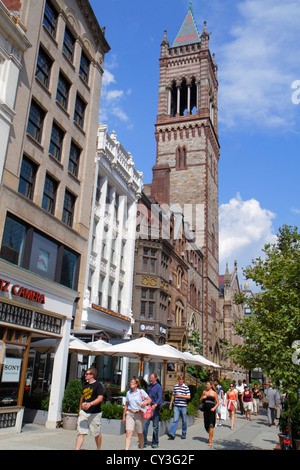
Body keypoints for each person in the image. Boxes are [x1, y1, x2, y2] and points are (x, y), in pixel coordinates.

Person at [75, 367, 104, 450]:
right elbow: (82, 397)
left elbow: (100, 398)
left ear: (92, 375)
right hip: (84, 412)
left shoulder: (98, 385)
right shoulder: (85, 385)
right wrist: (80, 409)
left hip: (95, 413)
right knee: (81, 432)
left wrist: (90, 404)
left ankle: (98, 448)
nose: (85, 375)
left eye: (87, 374)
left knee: (96, 433)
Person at [123, 377, 151, 450]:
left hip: (138, 414)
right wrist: (124, 416)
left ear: (136, 384)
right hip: (130, 413)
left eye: (133, 383)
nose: (131, 384)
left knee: (139, 433)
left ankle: (141, 448)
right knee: (129, 432)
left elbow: (149, 400)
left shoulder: (141, 391)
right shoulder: (128, 393)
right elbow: (126, 404)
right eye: (131, 382)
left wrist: (145, 403)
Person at [143, 372, 163, 448]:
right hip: (148, 408)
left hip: (155, 408)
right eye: (150, 378)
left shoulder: (158, 387)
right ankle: (144, 441)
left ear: (155, 378)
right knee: (145, 424)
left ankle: (155, 442)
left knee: (155, 426)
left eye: (152, 378)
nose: (150, 379)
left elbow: (160, 397)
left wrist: (156, 404)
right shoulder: (149, 386)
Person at [167, 375, 191, 440]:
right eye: (180, 379)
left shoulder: (185, 387)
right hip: (176, 405)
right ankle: (172, 433)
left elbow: (189, 397)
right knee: (175, 419)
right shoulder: (176, 386)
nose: (181, 381)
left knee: (184, 420)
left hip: (183, 406)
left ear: (183, 380)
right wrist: (171, 404)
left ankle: (184, 433)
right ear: (178, 380)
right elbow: (173, 395)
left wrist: (181, 395)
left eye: (182, 379)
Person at [200, 381, 219, 446]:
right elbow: (200, 400)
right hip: (206, 410)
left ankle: (210, 440)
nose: (206, 385)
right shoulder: (204, 392)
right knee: (206, 425)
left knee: (211, 425)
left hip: (212, 410)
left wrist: (214, 408)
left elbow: (217, 403)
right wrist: (203, 397)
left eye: (207, 384)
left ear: (211, 386)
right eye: (206, 384)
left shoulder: (214, 393)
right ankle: (210, 434)